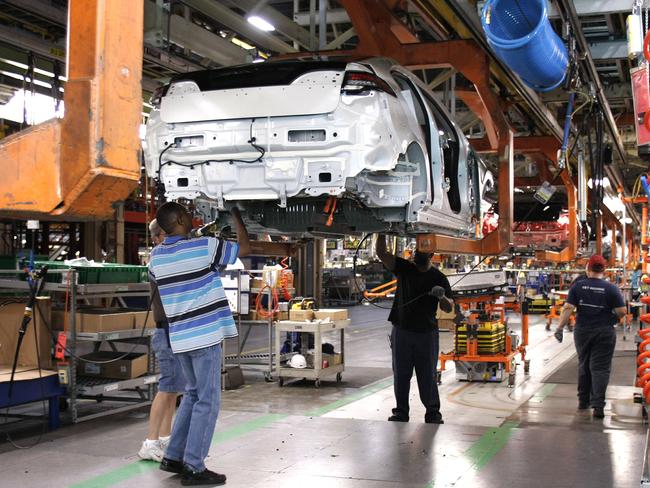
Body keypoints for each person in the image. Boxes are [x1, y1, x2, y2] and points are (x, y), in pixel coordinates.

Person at [149, 203, 251, 486]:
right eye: (188, 214)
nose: (193, 217)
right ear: (181, 219)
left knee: (193, 395)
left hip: (179, 338)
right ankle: (194, 466)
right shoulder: (204, 247)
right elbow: (245, 248)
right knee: (208, 400)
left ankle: (174, 456)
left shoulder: (156, 258)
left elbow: (193, 273)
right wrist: (237, 216)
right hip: (204, 338)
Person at [375, 236, 453, 424]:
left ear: (431, 254)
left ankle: (433, 413)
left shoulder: (439, 278)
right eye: (417, 250)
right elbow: (382, 254)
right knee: (401, 374)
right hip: (402, 331)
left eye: (422, 251)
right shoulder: (404, 268)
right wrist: (382, 232)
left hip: (426, 334)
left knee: (428, 375)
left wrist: (441, 297)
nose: (417, 254)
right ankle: (401, 412)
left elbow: (449, 308)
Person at [554, 255, 626, 419]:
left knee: (584, 364)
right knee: (600, 368)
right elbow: (622, 311)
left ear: (588, 268)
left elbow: (568, 308)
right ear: (604, 270)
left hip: (583, 331)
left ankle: (583, 401)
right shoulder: (611, 288)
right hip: (604, 332)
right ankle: (598, 407)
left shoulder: (578, 287)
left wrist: (559, 328)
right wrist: (613, 318)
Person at [139, 220, 187, 462]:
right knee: (167, 387)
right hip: (165, 333)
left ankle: (166, 437)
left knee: (173, 389)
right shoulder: (158, 258)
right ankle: (150, 442)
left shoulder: (166, 256)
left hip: (174, 332)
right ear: (159, 237)